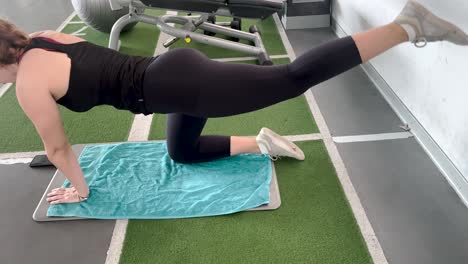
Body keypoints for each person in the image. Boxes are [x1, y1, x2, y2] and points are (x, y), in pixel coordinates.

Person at [0, 1, 467, 205]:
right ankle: (263, 142)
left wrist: (79, 190)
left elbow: (60, 150)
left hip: (181, 86)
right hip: (169, 81)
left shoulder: (26, 86)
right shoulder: (45, 38)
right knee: (181, 152)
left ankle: (407, 26)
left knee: (291, 78)